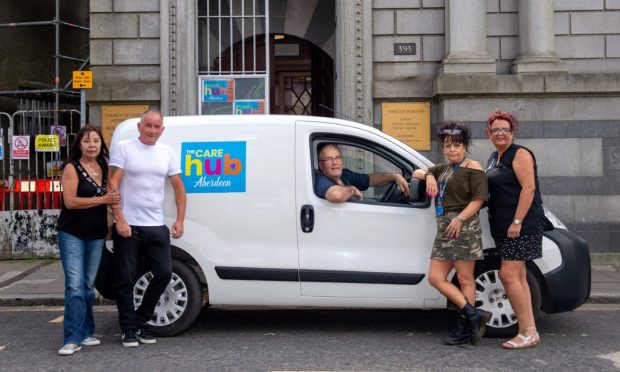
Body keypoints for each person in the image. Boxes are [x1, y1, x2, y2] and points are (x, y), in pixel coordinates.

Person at [109, 109, 186, 347]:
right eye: (148, 126)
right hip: (129, 225)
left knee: (163, 274)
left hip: (156, 225)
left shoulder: (167, 152)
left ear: (162, 131)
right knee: (125, 279)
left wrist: (180, 219)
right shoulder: (124, 147)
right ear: (140, 127)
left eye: (157, 127)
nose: (152, 131)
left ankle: (141, 322)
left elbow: (178, 187)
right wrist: (119, 219)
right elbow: (113, 184)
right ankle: (128, 330)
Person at [412, 121, 490, 345]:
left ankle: (466, 325)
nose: (452, 150)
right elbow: (415, 171)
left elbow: (479, 199)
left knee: (465, 279)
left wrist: (459, 219)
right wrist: (428, 175)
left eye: (457, 145)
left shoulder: (473, 167)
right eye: (448, 146)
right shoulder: (442, 168)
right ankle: (473, 315)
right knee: (435, 277)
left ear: (464, 146)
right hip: (444, 229)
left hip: (463, 227)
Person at [57, 125, 120, 355]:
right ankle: (71, 338)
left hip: (96, 234)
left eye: (96, 141)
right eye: (86, 141)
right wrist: (102, 199)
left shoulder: (104, 166)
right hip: (71, 233)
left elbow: (113, 196)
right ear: (79, 145)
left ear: (101, 145)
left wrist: (119, 218)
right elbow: (70, 202)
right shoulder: (71, 168)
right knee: (74, 286)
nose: (92, 145)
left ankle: (86, 332)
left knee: (87, 286)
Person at [485, 109, 543, 350]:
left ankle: (526, 331)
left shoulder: (519, 154)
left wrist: (517, 221)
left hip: (520, 226)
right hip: (503, 226)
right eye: (496, 129)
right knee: (518, 276)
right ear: (489, 133)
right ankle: (530, 331)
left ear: (513, 132)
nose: (500, 133)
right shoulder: (494, 157)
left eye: (505, 129)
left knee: (508, 275)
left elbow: (528, 189)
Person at [315, 143, 410, 203]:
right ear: (321, 165)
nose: (335, 162)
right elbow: (335, 195)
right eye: (329, 159)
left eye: (338, 158)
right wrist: (352, 190)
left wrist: (394, 176)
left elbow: (371, 180)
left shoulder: (345, 175)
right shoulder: (319, 178)